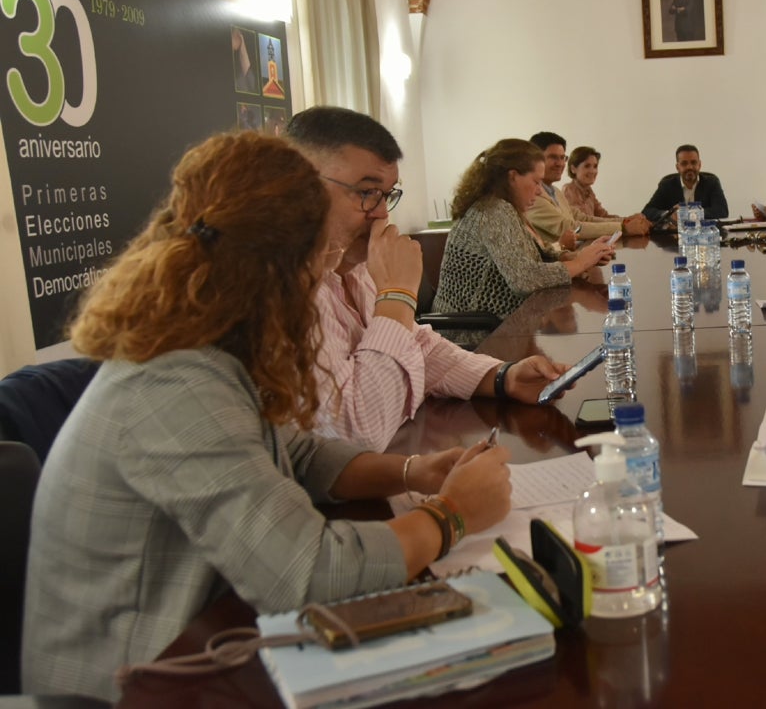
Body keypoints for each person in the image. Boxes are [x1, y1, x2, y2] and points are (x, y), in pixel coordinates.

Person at [21, 133, 513, 702]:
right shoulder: (174, 381)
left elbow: (296, 451)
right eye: (320, 260)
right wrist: (452, 516)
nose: (322, 278)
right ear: (277, 270)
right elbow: (303, 574)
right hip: (130, 683)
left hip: (206, 640)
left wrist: (413, 472)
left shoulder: (210, 344)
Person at [287, 107, 570, 452]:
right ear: (301, 189)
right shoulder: (288, 289)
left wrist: (502, 377)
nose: (380, 213)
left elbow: (420, 346)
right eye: (366, 192)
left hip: (401, 460)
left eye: (387, 195)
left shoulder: (355, 268)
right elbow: (357, 433)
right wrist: (396, 296)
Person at [434, 138, 615, 319]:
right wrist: (580, 263)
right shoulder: (493, 211)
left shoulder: (502, 207)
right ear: (512, 177)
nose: (538, 191)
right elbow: (525, 279)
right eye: (536, 182)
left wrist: (581, 256)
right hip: (473, 330)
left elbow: (536, 256)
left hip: (494, 324)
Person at [526, 131, 636, 246]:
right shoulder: (532, 196)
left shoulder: (556, 191)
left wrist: (625, 221)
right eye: (553, 157)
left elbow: (584, 218)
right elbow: (568, 227)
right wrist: (623, 227)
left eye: (563, 158)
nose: (560, 163)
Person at [562, 145, 652, 236]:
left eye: (595, 166)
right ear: (573, 169)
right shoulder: (569, 190)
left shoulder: (588, 190)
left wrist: (629, 219)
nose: (592, 171)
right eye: (587, 166)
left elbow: (603, 216)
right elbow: (584, 222)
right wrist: (625, 223)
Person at [642, 144, 729, 222]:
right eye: (684, 163)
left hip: (704, 235)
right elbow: (646, 212)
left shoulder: (712, 183)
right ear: (677, 167)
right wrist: (669, 214)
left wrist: (691, 213)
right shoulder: (667, 185)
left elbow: (722, 211)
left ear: (699, 165)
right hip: (675, 236)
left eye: (693, 162)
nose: (689, 167)